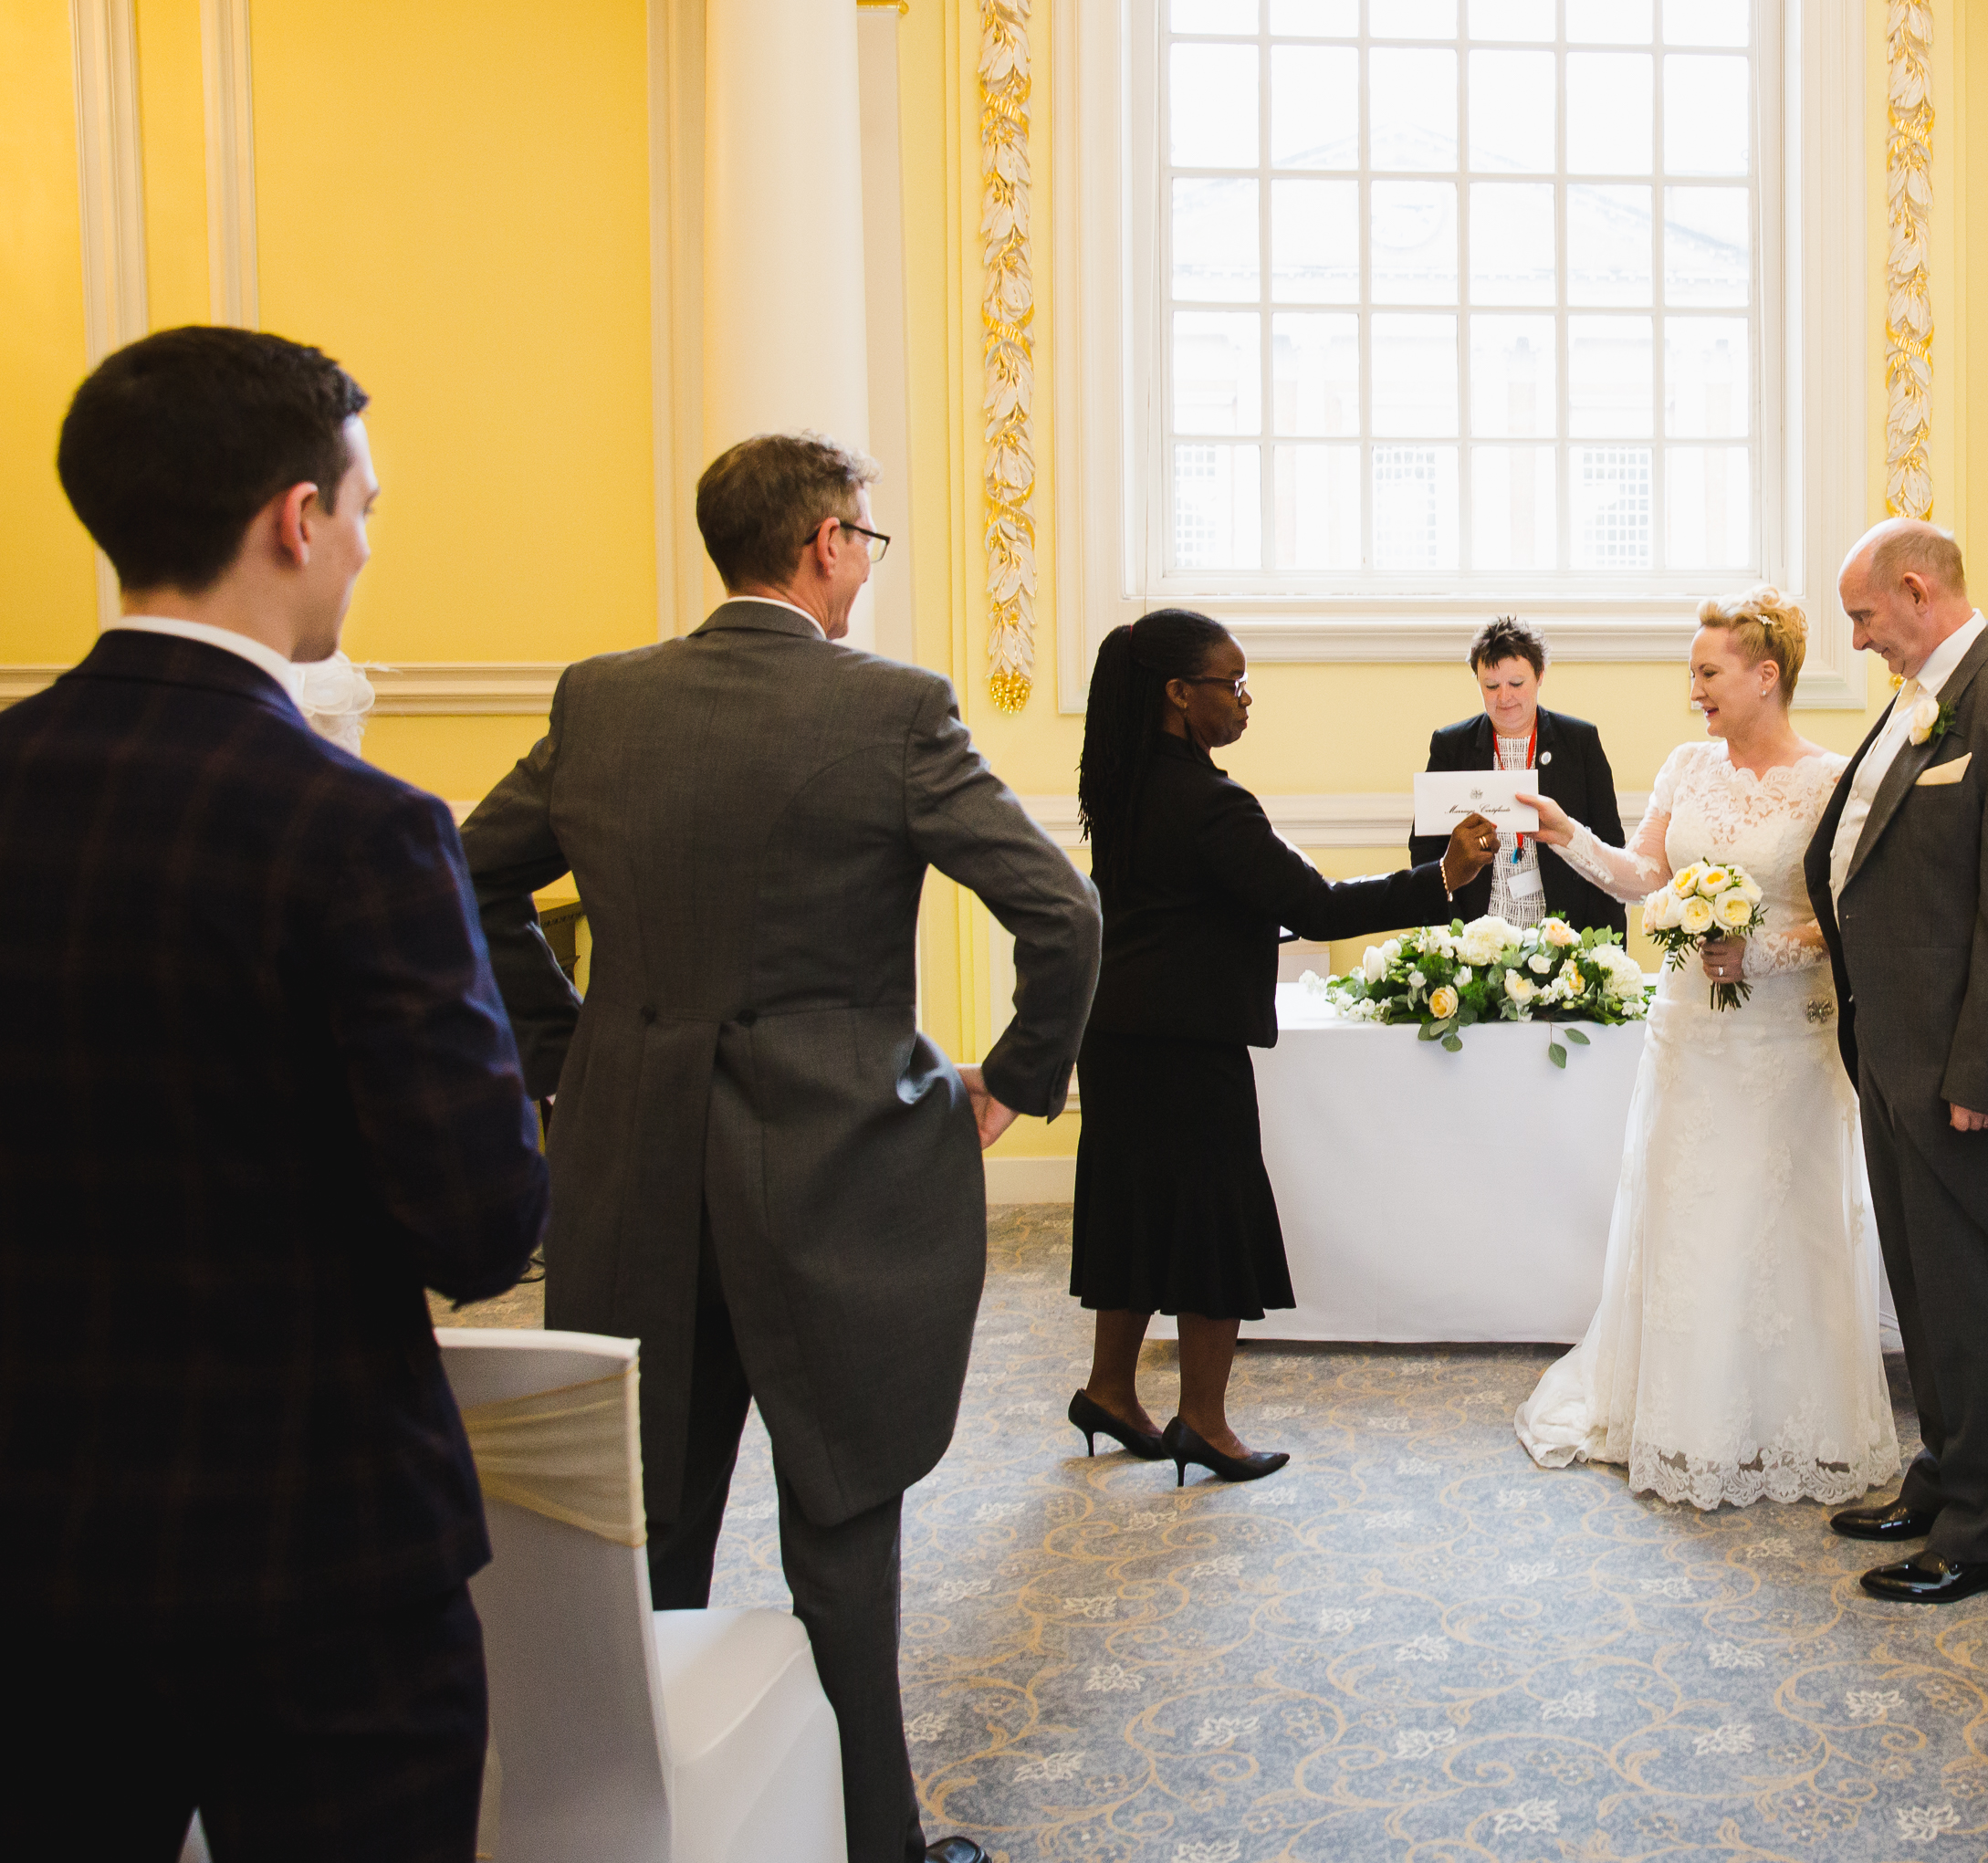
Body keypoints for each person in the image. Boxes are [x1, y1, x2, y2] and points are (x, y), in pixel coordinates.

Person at [464, 434, 1097, 1863]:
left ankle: (636, 1819)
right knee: (840, 1508)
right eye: (867, 538)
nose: (867, 562)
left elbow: (465, 873)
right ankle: (877, 1836)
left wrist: (577, 1051)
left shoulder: (601, 699)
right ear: (824, 542)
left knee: (642, 1518)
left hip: (629, 1162)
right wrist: (1009, 1081)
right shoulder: (891, 709)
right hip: (834, 1172)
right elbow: (1063, 915)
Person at [2, 327, 549, 1858]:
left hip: (33, 1543)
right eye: (363, 509)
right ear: (294, 519)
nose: (365, 549)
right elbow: (477, 1221)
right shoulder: (357, 830)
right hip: (315, 1552)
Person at [1065, 611, 1493, 1485]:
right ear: (1180, 695)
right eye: (1233, 682)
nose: (1245, 699)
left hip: (1115, 1037)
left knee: (1132, 1211)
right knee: (1211, 1230)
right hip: (1187, 1048)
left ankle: (1110, 1390)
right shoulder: (1210, 803)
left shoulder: (1122, 784)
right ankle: (1204, 1422)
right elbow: (1321, 910)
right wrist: (1443, 877)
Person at [1509, 589, 1901, 1509]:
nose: (1695, 690)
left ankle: (1785, 1420)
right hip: (1691, 1037)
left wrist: (1759, 950)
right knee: (1688, 1217)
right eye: (1694, 673)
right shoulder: (1687, 766)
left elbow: (1848, 917)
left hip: (1784, 1048)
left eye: (1709, 672)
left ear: (1768, 676)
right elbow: (1650, 875)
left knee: (1777, 1225)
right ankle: (1685, 1419)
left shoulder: (1829, 781)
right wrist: (1570, 838)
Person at [1800, 520, 1988, 1606]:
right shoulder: (1923, 698)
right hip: (1893, 1049)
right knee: (1922, 1286)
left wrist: (1984, 1076)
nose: (1861, 639)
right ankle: (1945, 1475)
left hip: (1958, 1071)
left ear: (1917, 591)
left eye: (1866, 616)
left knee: (1971, 1297)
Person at [1407, 613, 1628, 941]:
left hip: (1563, 936)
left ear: (1540, 676)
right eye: (1491, 686)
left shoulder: (1579, 742)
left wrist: (1606, 949)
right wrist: (1449, 937)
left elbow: (1608, 847)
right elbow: (1425, 851)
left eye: (1516, 684)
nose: (1504, 698)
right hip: (1475, 937)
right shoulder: (1451, 746)